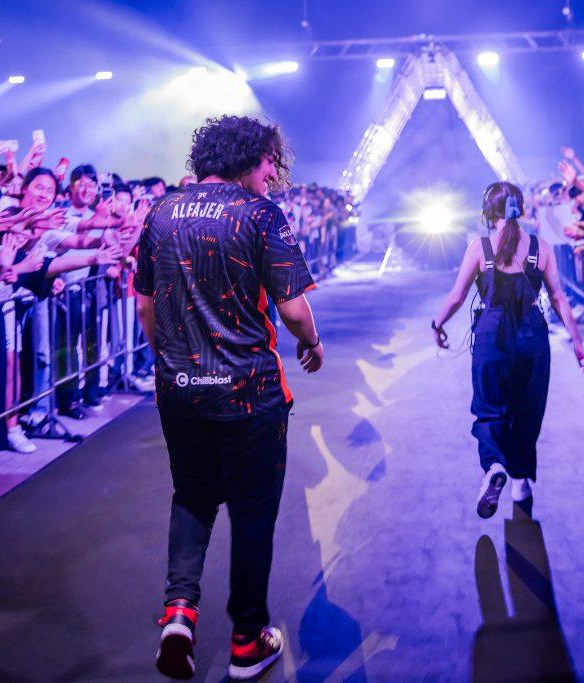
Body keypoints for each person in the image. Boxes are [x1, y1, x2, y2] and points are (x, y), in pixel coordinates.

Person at [136, 115, 323, 680]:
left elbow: (145, 305)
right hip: (250, 393)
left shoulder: (161, 212)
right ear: (249, 157)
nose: (272, 174)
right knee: (252, 511)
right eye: (269, 163)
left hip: (180, 391)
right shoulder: (259, 214)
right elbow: (291, 307)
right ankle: (247, 639)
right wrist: (312, 341)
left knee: (191, 497)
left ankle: (178, 615)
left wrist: (169, 359)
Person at [432, 182, 584, 519]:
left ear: (489, 213)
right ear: (521, 209)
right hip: (532, 336)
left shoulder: (479, 247)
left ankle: (494, 467)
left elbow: (457, 296)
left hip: (491, 334)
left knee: (489, 408)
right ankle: (520, 481)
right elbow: (559, 298)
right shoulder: (539, 247)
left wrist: (438, 324)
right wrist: (578, 344)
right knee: (527, 409)